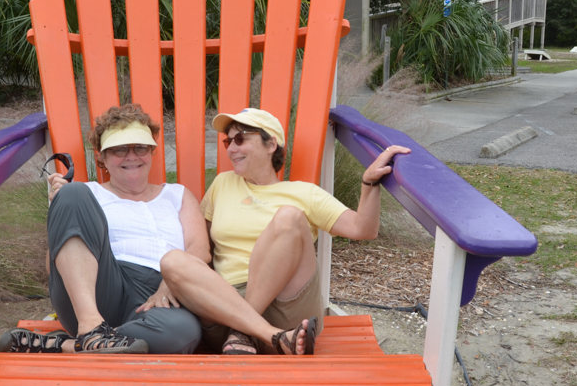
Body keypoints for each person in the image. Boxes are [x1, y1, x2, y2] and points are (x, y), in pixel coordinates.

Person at [161, 108, 410, 355]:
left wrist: (369, 183)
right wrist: (167, 285)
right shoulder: (222, 184)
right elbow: (201, 248)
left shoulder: (304, 193)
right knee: (172, 260)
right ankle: (263, 334)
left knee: (289, 216)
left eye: (240, 139)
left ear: (271, 145)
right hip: (226, 311)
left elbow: (361, 229)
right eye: (228, 141)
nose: (231, 149)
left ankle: (245, 331)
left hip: (287, 311)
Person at [0, 103, 209, 354]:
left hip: (161, 291)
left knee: (181, 333)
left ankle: (66, 344)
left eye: (140, 147)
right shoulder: (86, 194)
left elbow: (200, 251)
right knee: (72, 192)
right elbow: (50, 266)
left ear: (152, 151)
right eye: (119, 149)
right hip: (100, 285)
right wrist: (62, 208)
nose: (131, 156)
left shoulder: (178, 195)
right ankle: (90, 327)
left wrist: (170, 283)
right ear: (103, 157)